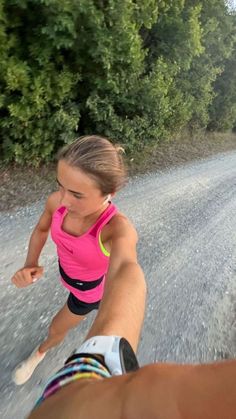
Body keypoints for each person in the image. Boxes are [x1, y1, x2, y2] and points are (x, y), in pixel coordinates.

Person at [11, 135, 146, 385]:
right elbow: (42, 229)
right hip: (69, 274)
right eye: (60, 185)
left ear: (110, 193)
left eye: (76, 194)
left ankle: (38, 354)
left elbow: (128, 273)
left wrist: (109, 355)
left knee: (56, 328)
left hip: (90, 293)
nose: (63, 200)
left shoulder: (116, 230)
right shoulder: (57, 202)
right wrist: (30, 262)